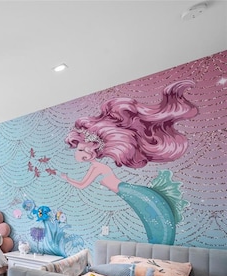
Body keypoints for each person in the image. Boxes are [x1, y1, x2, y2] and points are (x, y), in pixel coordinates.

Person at [60, 80, 198, 245]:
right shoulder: (97, 165)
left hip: (130, 192)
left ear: (92, 148)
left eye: (81, 149)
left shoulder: (98, 166)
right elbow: (84, 183)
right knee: (155, 228)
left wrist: (67, 179)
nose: (79, 153)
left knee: (157, 227)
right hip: (128, 192)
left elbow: (83, 184)